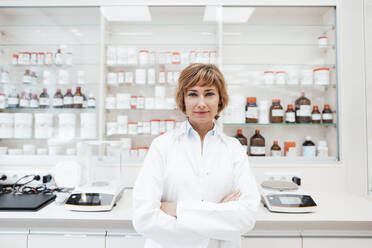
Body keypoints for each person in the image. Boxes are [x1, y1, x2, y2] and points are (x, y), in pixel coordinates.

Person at [133, 63, 260, 248]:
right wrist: (219, 214)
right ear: (183, 100)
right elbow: (144, 217)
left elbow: (246, 216)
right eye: (192, 94)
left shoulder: (234, 149)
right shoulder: (162, 146)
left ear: (220, 100)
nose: (201, 103)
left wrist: (176, 209)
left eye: (209, 94)